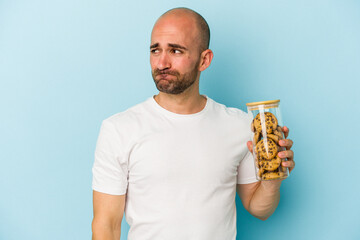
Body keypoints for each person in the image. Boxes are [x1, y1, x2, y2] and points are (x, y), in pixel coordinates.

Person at [91, 7, 295, 240]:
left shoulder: (240, 126)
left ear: (204, 60)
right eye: (155, 50)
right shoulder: (119, 129)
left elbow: (259, 209)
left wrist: (272, 182)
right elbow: (105, 225)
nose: (161, 63)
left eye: (176, 51)